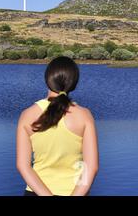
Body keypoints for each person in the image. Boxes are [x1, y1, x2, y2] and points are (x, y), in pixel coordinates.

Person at [16, 56, 98, 196]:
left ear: (47, 80)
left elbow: (23, 166)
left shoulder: (27, 115)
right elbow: (91, 167)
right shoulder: (84, 115)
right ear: (74, 83)